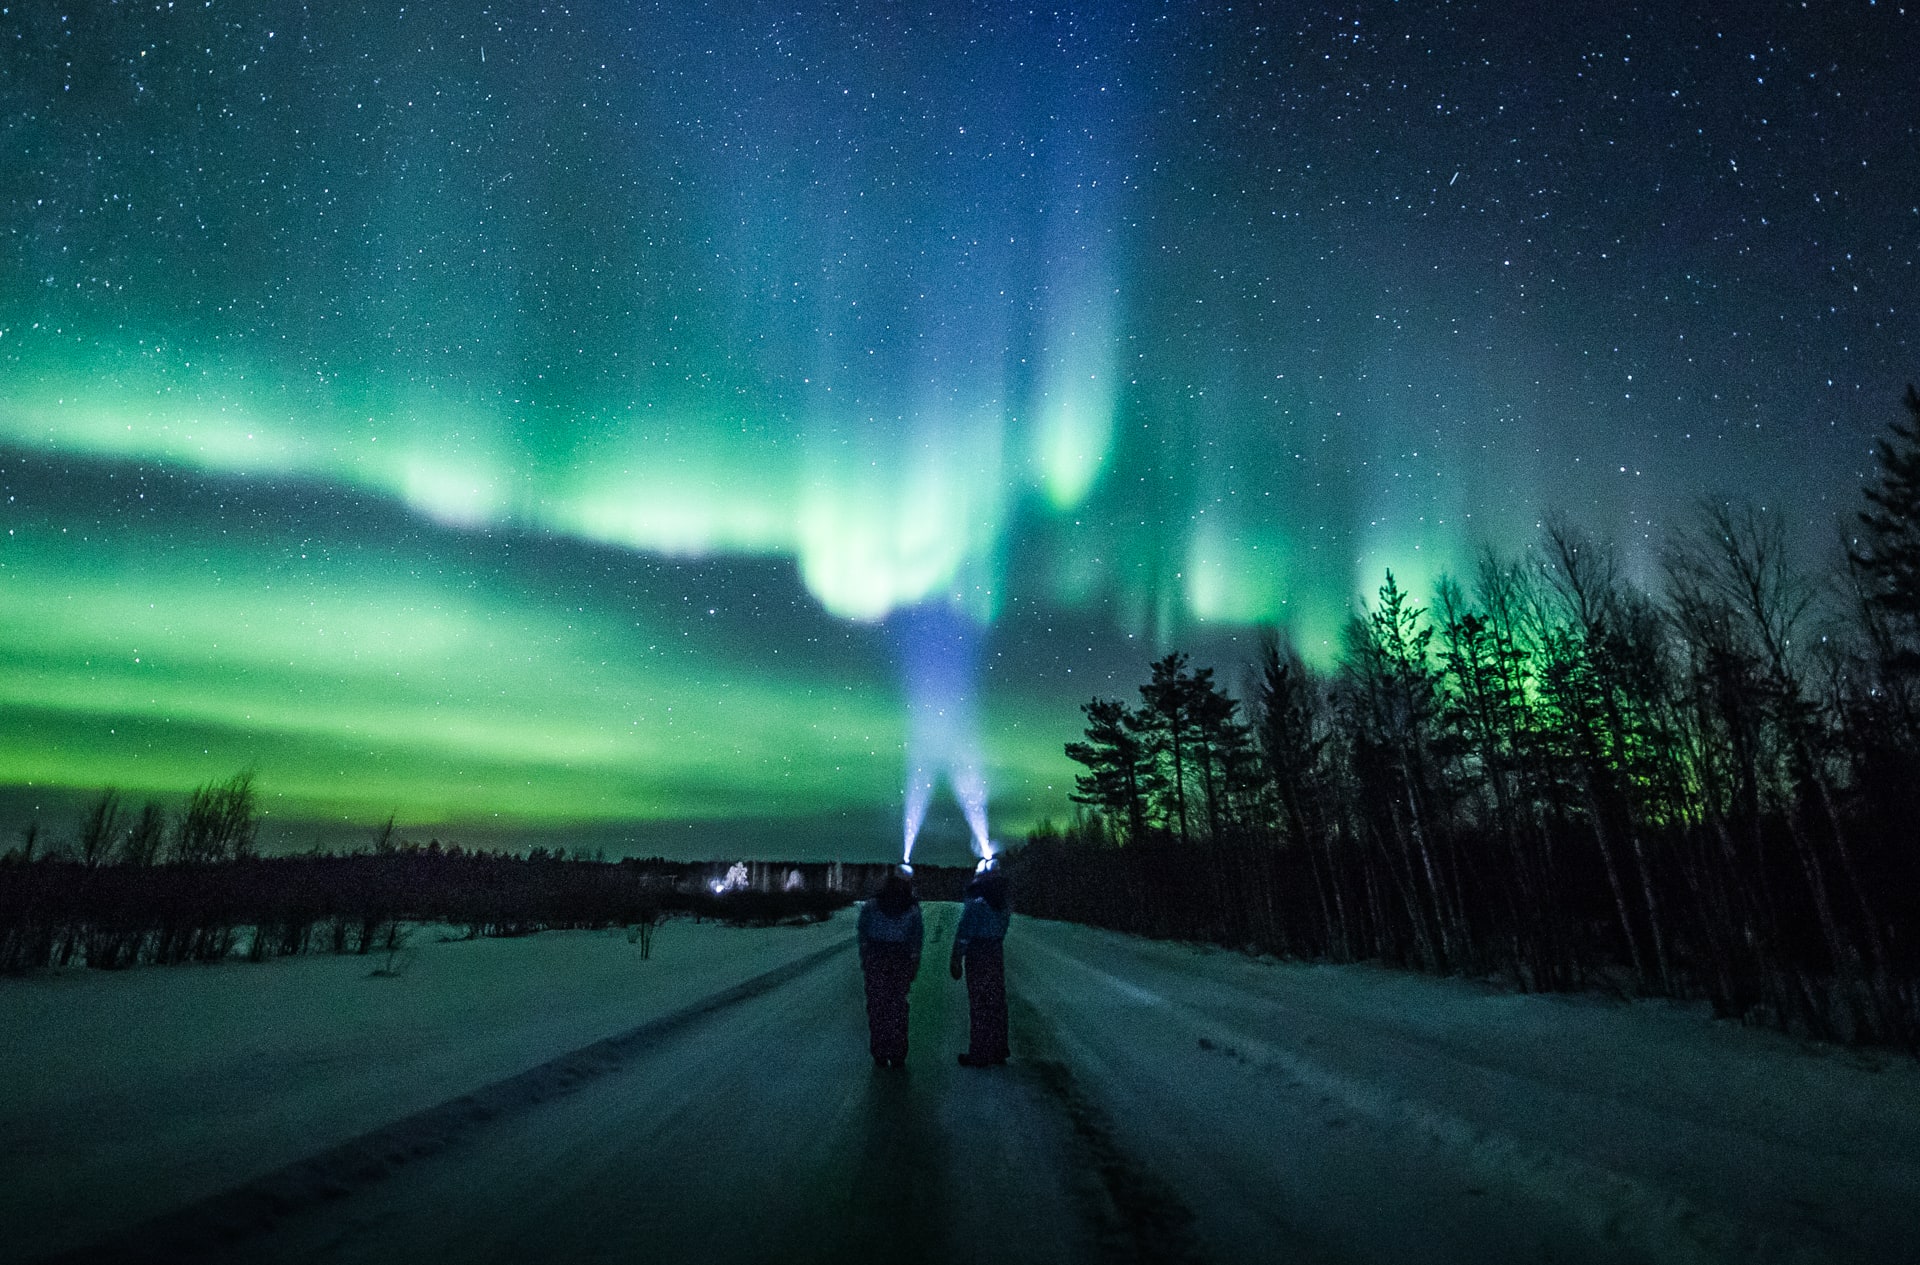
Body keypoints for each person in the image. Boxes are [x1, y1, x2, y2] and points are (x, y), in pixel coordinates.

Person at [857, 870, 923, 1067]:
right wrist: (914, 962)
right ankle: (898, 1052)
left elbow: (862, 932)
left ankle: (879, 1050)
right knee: (897, 1005)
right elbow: (916, 938)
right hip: (900, 958)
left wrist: (865, 958)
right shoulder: (912, 908)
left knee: (877, 1005)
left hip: (877, 957)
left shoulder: (872, 906)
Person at [949, 866, 1011, 1066]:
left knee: (980, 1002)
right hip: (995, 951)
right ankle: (998, 1049)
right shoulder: (1003, 903)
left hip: (978, 952)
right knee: (996, 1001)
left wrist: (956, 957)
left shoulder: (978, 903)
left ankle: (980, 1052)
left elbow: (965, 931)